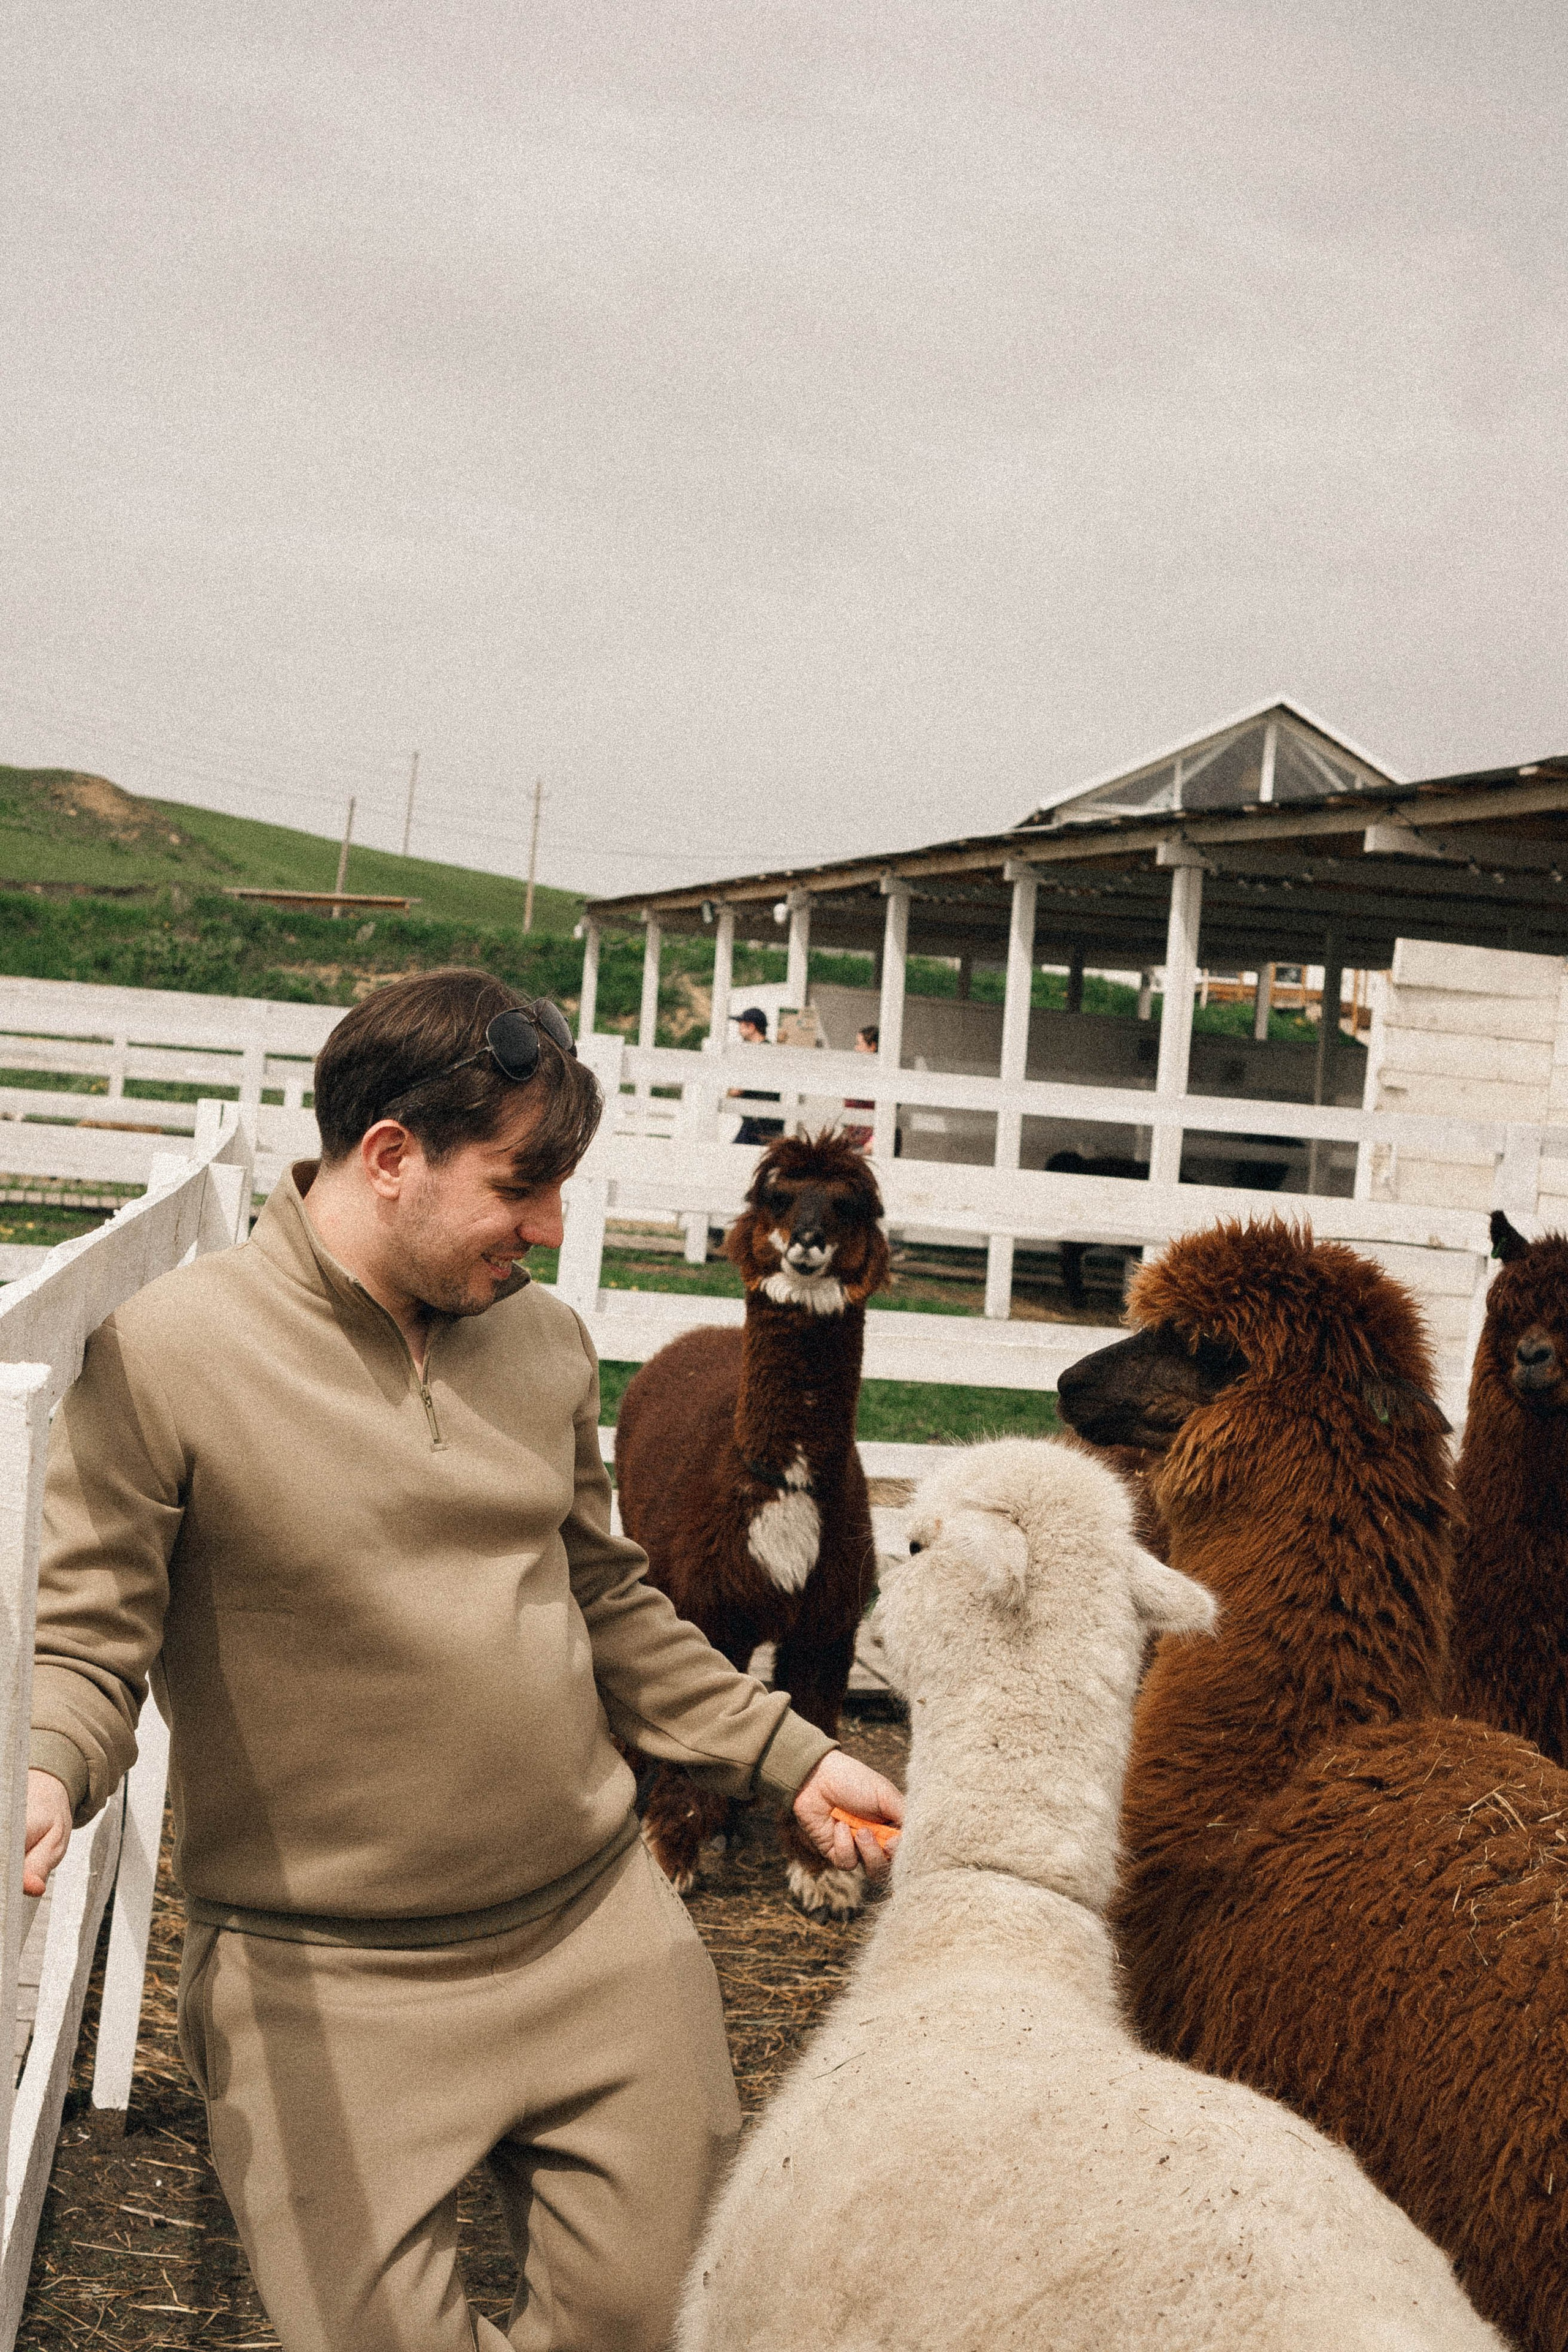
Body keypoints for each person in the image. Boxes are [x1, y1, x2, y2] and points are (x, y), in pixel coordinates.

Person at [23, 968, 901, 2352]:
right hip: (325, 1978)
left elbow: (604, 1596)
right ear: (387, 1158)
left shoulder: (541, 1343)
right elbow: (89, 1636)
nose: (549, 1228)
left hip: (593, 1934)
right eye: (519, 1185)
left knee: (653, 2320)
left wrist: (791, 1753)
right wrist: (44, 1763)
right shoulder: (170, 1358)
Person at [726, 1003, 783, 1145]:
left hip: (758, 1123)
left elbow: (737, 1090)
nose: (739, 1029)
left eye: (741, 1024)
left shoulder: (757, 1053)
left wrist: (729, 1092)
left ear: (751, 1027)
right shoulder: (769, 1050)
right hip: (765, 1121)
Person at [842, 1021, 878, 1149]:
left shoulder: (880, 1077)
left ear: (872, 1046)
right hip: (856, 1141)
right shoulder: (857, 1074)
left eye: (859, 1044)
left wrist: (874, 1141)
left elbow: (890, 1114)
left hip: (870, 1143)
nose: (856, 1048)